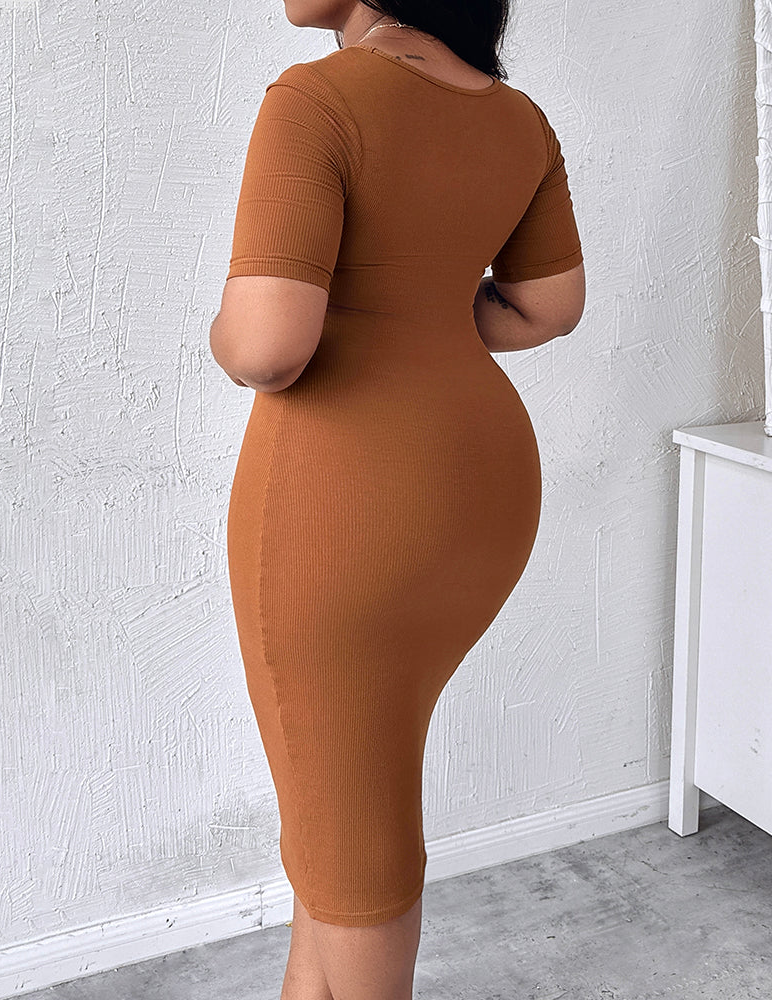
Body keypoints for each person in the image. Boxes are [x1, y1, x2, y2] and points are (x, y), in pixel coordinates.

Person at [209, 1, 586, 996]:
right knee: (335, 805)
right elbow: (547, 305)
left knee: (351, 840)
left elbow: (267, 346)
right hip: (481, 491)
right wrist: (425, 315)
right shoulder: (518, 119)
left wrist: (222, 331)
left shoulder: (316, 101)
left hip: (346, 505)